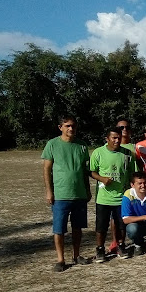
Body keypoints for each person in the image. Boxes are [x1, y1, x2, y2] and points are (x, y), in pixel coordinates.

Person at [42, 115, 91, 272]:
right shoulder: (52, 144)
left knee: (78, 228)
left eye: (73, 125)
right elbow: (47, 169)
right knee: (59, 229)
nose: (71, 128)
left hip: (79, 194)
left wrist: (88, 190)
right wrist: (49, 191)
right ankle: (60, 259)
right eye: (67, 126)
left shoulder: (82, 145)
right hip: (60, 195)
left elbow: (85, 171)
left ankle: (76, 255)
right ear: (60, 127)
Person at [90, 127, 134, 262]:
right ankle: (100, 249)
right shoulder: (98, 152)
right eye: (114, 138)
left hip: (121, 197)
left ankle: (121, 246)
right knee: (101, 226)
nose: (117, 141)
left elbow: (132, 173)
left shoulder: (127, 153)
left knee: (121, 224)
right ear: (107, 139)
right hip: (103, 198)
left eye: (119, 138)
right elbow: (91, 171)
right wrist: (102, 179)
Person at [107, 118, 137, 254]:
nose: (124, 130)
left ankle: (130, 241)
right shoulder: (109, 147)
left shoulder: (135, 147)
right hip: (114, 190)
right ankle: (115, 241)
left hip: (131, 187)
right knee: (115, 217)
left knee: (133, 213)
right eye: (121, 128)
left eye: (126, 127)